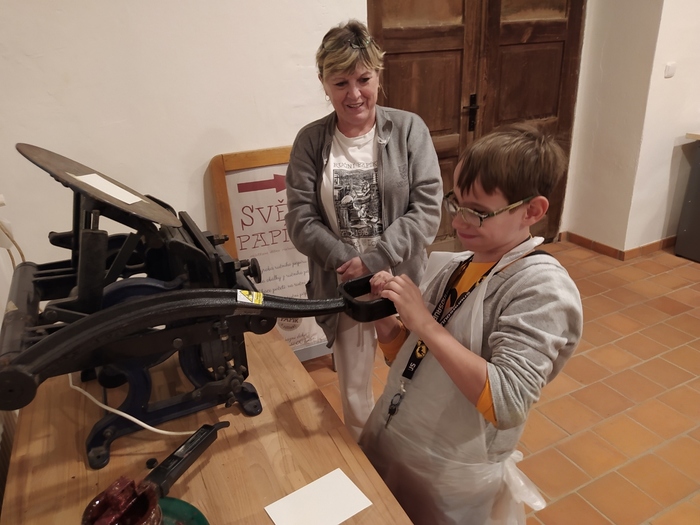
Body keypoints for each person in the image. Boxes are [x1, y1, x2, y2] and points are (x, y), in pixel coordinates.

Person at [360, 122, 584, 524]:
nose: (459, 222)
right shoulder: (457, 265)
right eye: (456, 203)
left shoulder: (541, 289)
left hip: (449, 476)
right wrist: (384, 317)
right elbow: (410, 360)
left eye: (478, 212)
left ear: (532, 211)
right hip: (396, 442)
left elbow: (507, 402)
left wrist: (425, 323)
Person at [284, 20, 442, 441]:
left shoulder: (409, 130)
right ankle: (366, 456)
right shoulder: (310, 141)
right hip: (344, 286)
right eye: (341, 82)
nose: (354, 94)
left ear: (378, 75)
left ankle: (413, 449)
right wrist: (347, 262)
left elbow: (427, 209)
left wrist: (376, 259)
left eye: (363, 79)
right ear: (324, 84)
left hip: (402, 278)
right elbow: (300, 218)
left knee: (416, 372)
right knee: (354, 387)